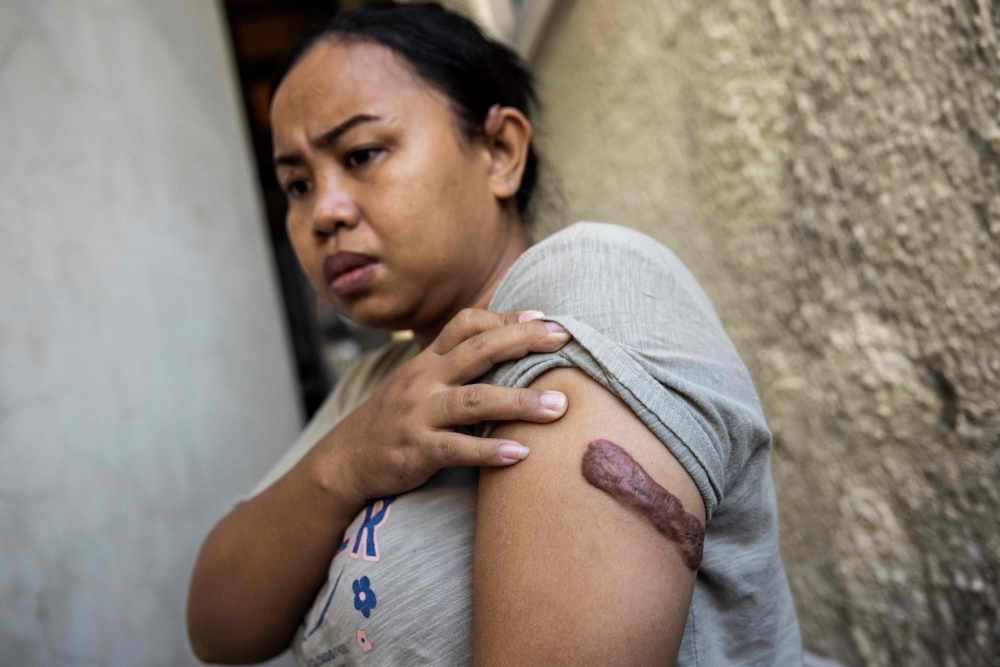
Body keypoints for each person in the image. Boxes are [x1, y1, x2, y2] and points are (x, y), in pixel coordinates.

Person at [186, 3, 803, 665]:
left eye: (362, 153)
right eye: (297, 184)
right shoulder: (377, 387)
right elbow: (217, 626)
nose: (323, 213)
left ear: (500, 152)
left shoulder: (584, 293)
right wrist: (345, 462)